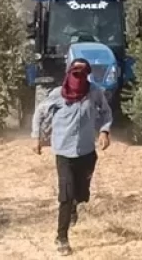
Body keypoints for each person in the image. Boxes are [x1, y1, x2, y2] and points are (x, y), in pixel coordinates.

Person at [31, 57, 112, 255]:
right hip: (64, 153)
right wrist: (36, 137)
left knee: (82, 195)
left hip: (86, 152)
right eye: (75, 73)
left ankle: (76, 205)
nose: (79, 78)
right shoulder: (57, 94)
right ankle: (62, 237)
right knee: (66, 196)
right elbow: (39, 114)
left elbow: (106, 113)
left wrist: (104, 131)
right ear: (69, 74)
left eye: (83, 74)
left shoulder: (94, 93)